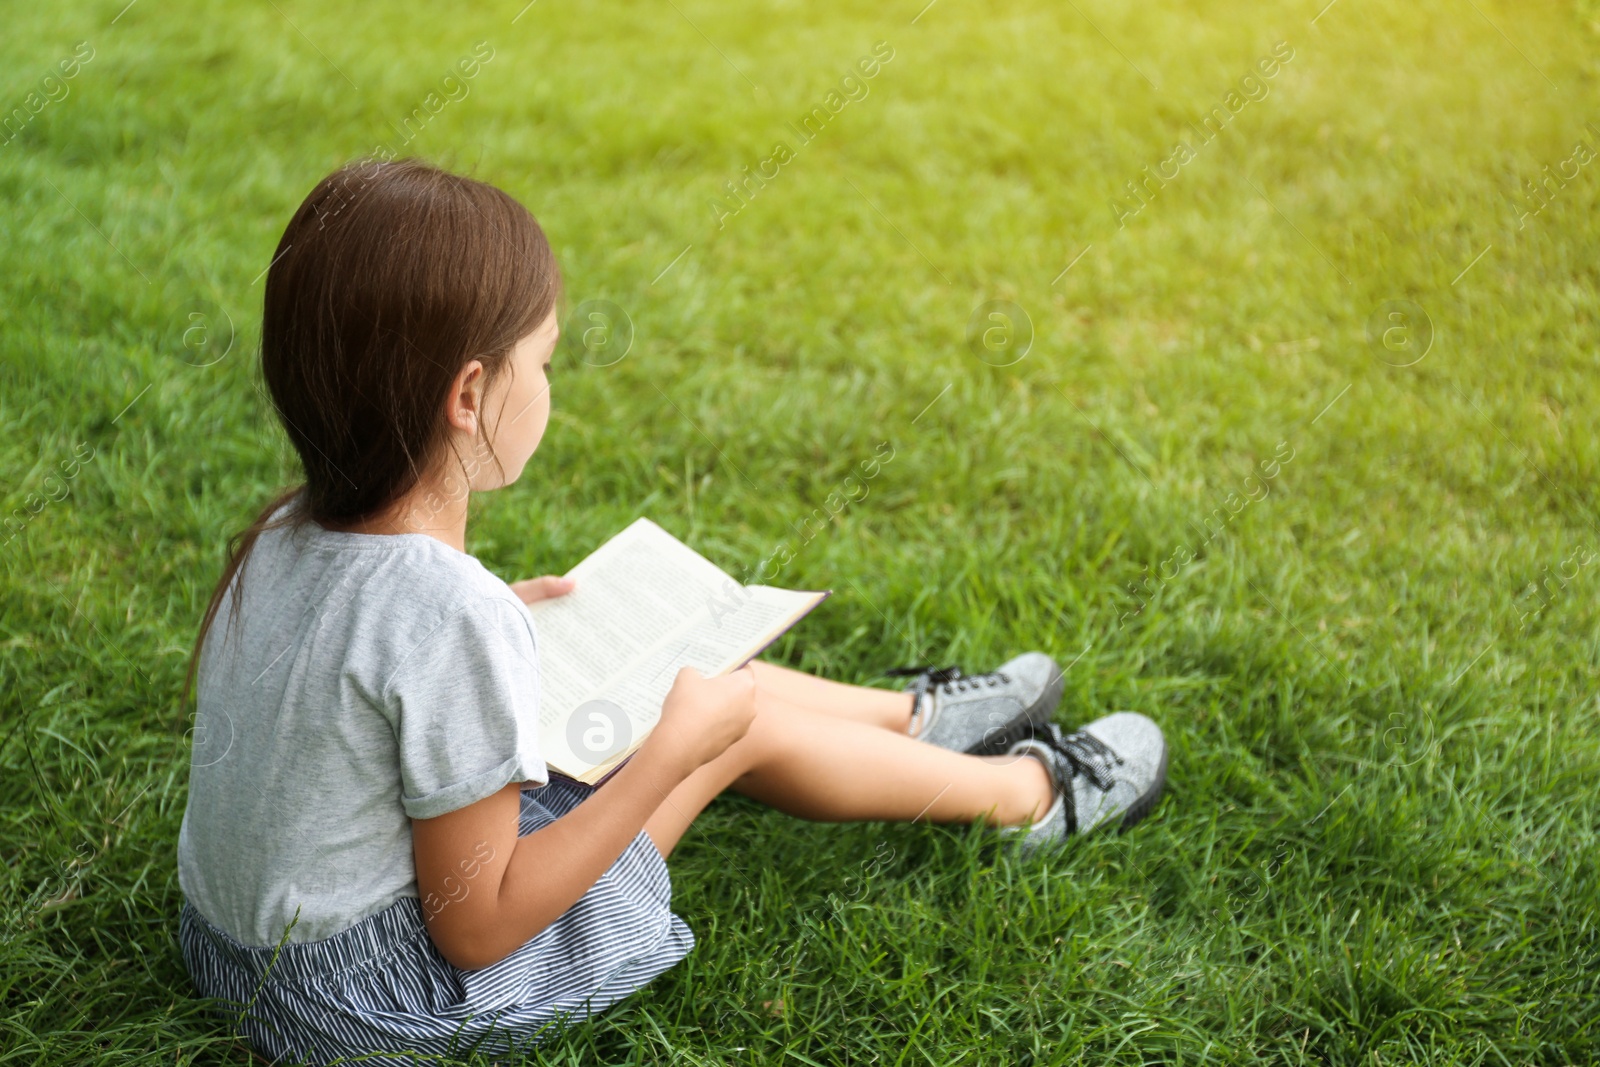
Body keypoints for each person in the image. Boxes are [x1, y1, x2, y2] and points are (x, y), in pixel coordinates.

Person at [176, 159, 1168, 1064]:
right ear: (469, 395)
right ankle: (1033, 795)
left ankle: (920, 724)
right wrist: (671, 754)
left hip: (233, 944)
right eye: (547, 360)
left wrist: (508, 623)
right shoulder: (447, 614)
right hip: (373, 998)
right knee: (722, 719)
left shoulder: (287, 530)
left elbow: (350, 668)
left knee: (694, 678)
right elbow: (476, 924)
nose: (552, 384)